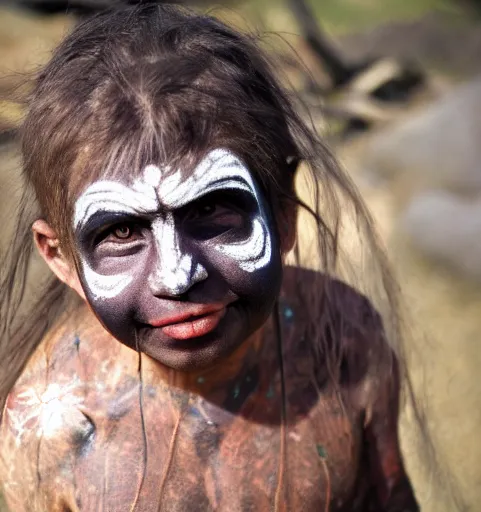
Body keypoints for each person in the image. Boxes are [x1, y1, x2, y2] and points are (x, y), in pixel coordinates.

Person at [0, 3, 423, 510]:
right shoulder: (52, 430)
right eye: (122, 230)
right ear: (62, 257)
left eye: (212, 208)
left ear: (283, 211)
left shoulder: (342, 339)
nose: (177, 275)